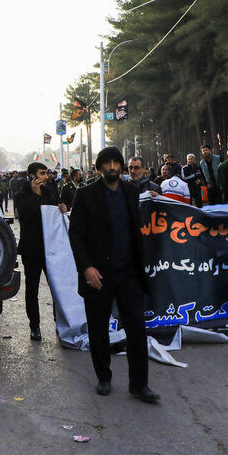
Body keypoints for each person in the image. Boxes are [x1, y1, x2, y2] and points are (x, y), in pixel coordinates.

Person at [67, 146, 158, 403]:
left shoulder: (131, 191)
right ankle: (103, 377)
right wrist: (87, 268)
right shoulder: (85, 195)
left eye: (116, 163)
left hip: (128, 272)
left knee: (137, 330)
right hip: (99, 274)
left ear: (121, 166)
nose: (112, 167)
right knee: (98, 330)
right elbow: (76, 234)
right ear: (99, 168)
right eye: (107, 163)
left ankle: (139, 385)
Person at [13, 161, 67, 341]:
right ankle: (34, 326)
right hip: (32, 249)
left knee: (56, 288)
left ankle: (60, 325)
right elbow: (26, 216)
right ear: (32, 176)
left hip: (50, 249)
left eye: (47, 173)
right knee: (32, 290)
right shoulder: (22, 194)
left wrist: (61, 208)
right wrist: (35, 196)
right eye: (42, 173)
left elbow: (54, 213)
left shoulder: (50, 191)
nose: (46, 176)